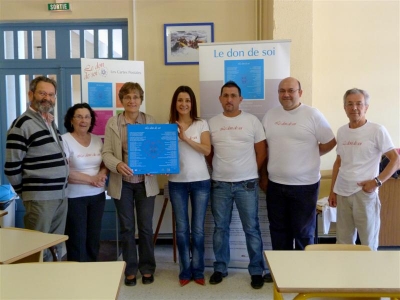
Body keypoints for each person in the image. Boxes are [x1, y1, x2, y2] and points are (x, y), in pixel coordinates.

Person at [261, 77, 336, 253]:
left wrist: (309, 153)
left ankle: (305, 275)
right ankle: (282, 275)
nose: (286, 94)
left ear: (300, 93)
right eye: (282, 91)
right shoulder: (270, 115)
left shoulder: (313, 114)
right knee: (278, 232)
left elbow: (330, 142)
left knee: (303, 234)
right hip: (275, 185)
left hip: (305, 186)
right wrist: (263, 176)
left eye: (291, 90)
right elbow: (264, 148)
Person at [207, 81, 267, 289]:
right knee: (220, 228)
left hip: (247, 184)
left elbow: (261, 152)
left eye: (233, 95)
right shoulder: (212, 123)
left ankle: (257, 270)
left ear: (240, 99)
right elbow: (209, 153)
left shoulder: (252, 121)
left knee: (251, 229)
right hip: (220, 185)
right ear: (220, 98)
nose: (229, 99)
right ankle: (220, 267)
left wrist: (249, 171)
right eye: (225, 95)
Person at [4, 76, 69, 261]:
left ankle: (51, 284)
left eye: (51, 94)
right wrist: (27, 193)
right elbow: (11, 167)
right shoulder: (22, 124)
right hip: (40, 199)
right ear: (30, 94)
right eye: (42, 93)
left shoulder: (49, 122)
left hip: (59, 196)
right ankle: (35, 286)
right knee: (37, 249)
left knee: (55, 246)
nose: (47, 98)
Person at [102, 82, 159, 287]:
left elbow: (157, 149)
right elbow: (106, 152)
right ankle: (130, 269)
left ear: (140, 100)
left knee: (145, 228)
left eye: (135, 97)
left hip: (146, 183)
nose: (131, 101)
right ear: (122, 100)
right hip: (122, 183)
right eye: (127, 97)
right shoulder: (113, 123)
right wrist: (117, 164)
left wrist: (154, 164)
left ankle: (147, 268)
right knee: (127, 228)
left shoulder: (149, 120)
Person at [328, 88, 399, 251]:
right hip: (343, 193)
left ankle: (369, 276)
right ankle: (346, 275)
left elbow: (396, 160)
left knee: (368, 244)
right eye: (350, 104)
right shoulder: (342, 131)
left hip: (365, 194)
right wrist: (333, 191)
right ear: (344, 108)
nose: (354, 108)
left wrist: (376, 182)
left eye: (359, 104)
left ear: (366, 107)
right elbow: (338, 162)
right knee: (343, 244)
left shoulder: (377, 130)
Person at [168, 86, 211, 287]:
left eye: (187, 100)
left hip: (200, 181)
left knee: (198, 230)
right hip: (176, 184)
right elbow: (162, 156)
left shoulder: (201, 124)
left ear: (192, 103)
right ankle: (185, 271)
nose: (183, 104)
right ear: (175, 104)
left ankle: (199, 270)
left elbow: (206, 149)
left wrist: (185, 138)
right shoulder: (168, 127)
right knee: (182, 230)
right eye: (180, 100)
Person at [62, 103, 108, 262]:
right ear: (71, 120)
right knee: (77, 238)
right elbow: (64, 172)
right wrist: (91, 179)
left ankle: (91, 271)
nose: (84, 120)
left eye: (87, 117)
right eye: (79, 116)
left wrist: (102, 174)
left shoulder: (97, 140)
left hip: (97, 196)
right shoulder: (64, 140)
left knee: (93, 237)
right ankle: (77, 274)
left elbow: (104, 163)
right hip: (75, 198)